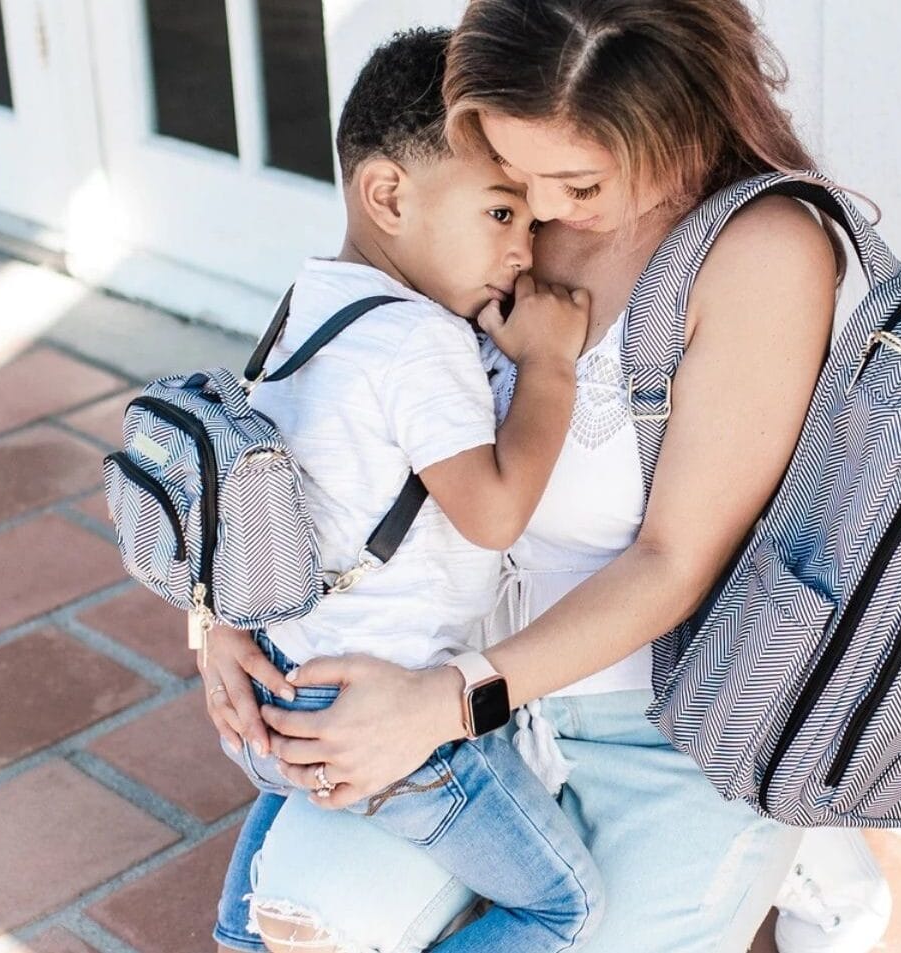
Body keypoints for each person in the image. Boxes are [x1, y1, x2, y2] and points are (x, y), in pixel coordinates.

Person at [207, 2, 876, 950]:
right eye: (515, 183)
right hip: (448, 692)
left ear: (675, 117)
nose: (543, 217)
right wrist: (224, 612)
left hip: (655, 728)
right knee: (303, 929)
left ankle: (795, 841)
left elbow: (674, 560)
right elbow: (326, 402)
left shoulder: (761, 250)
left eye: (576, 181)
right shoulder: (480, 172)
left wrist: (447, 700)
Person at [206, 26, 607, 953]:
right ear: (388, 193)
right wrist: (548, 366)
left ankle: (239, 934)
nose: (527, 246)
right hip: (395, 730)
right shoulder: (418, 340)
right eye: (502, 213)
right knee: (566, 909)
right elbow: (493, 510)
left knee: (268, 872)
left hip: (281, 696)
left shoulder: (303, 305)